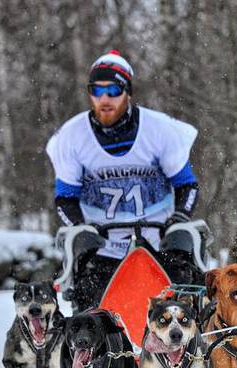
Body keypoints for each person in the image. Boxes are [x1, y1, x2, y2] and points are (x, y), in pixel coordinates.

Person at [45, 50, 203, 311]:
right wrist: (80, 227)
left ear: (128, 92)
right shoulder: (72, 136)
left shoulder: (159, 129)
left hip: (157, 241)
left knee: (185, 299)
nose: (105, 99)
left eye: (114, 90)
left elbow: (187, 185)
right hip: (103, 245)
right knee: (89, 308)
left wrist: (179, 219)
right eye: (96, 90)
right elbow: (65, 198)